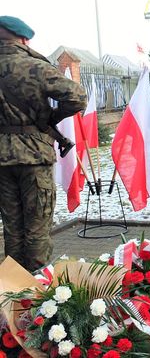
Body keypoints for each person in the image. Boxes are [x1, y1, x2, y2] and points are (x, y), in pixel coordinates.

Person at [0, 16, 87, 271]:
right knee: (37, 227)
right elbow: (77, 97)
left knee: (12, 228)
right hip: (33, 156)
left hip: (2, 160)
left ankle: (12, 294)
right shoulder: (34, 66)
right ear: (24, 39)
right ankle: (37, 297)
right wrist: (50, 117)